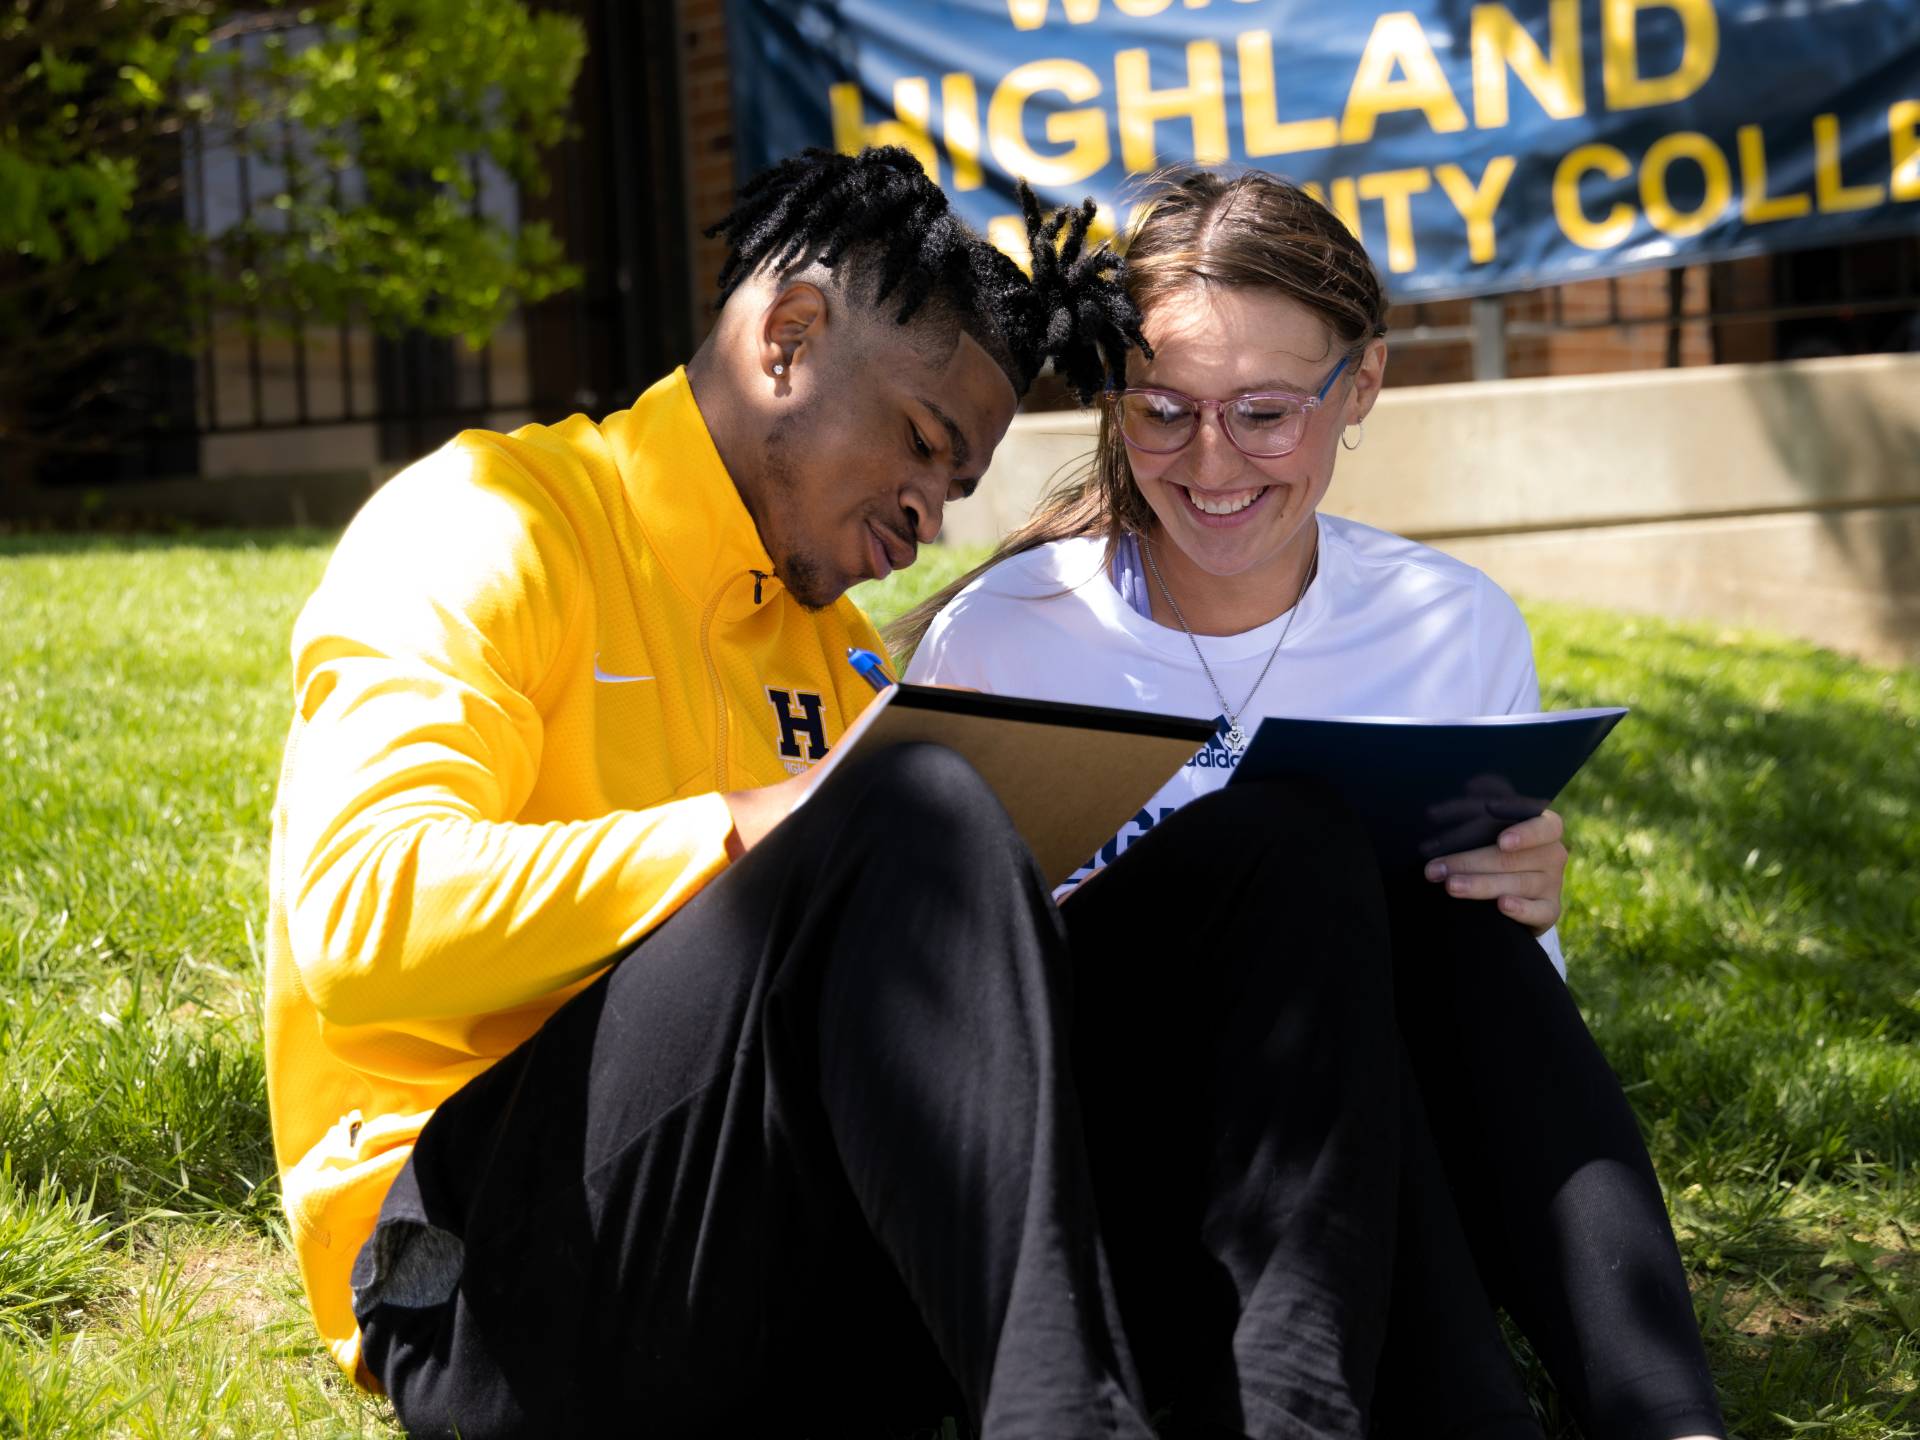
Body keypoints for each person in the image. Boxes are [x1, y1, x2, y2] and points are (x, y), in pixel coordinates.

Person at [264, 146, 1537, 1440]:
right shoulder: (492, 525)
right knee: (914, 807)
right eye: (922, 446)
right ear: (790, 340)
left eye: (959, 483)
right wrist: (752, 829)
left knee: (1279, 846)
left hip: (782, 1274)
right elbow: (361, 926)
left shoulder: (845, 656)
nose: (930, 517)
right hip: (490, 1288)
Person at [900, 168, 1726, 1439]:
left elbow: (1498, 1044)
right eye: (1162, 411)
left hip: (1377, 1131)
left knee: (1452, 920)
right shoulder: (1008, 636)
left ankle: (1663, 1416)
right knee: (1291, 844)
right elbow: (947, 1011)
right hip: (1132, 1150)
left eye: (1268, 413)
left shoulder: (1448, 627)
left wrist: (1520, 900)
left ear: (1365, 388)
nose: (1212, 460)